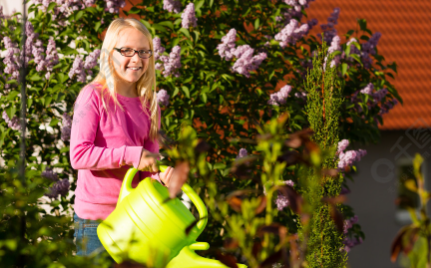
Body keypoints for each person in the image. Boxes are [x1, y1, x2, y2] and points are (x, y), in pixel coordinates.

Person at [69, 18, 174, 260]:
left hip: (136, 219)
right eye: (127, 50)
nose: (136, 59)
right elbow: (78, 155)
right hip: (96, 223)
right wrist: (131, 154)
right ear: (109, 53)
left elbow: (146, 170)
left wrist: (161, 177)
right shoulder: (92, 96)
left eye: (143, 52)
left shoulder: (150, 106)